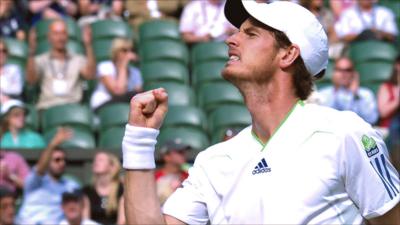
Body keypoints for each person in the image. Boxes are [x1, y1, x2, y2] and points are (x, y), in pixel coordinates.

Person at [122, 1, 399, 224]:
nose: (231, 39)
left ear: (288, 55)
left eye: (250, 33)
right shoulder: (212, 161)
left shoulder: (345, 133)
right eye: (237, 31)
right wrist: (139, 139)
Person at [26, 19, 95, 111]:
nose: (60, 38)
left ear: (67, 36)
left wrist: (88, 45)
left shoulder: (77, 59)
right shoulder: (41, 60)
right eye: (56, 34)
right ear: (49, 37)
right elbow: (31, 80)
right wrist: (31, 51)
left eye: (63, 33)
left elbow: (90, 75)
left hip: (72, 108)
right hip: (47, 108)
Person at [16, 127, 80, 225]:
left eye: (64, 160)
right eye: (57, 160)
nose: (62, 163)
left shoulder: (70, 186)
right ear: (47, 162)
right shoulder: (35, 182)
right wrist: (53, 143)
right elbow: (40, 168)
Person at [319, 57, 379, 125]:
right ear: (334, 73)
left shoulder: (366, 94)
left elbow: (371, 119)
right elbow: (324, 118)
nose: (343, 74)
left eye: (348, 70)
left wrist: (355, 95)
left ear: (354, 73)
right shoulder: (323, 93)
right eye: (339, 70)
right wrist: (336, 90)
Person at [90, 38, 143, 112]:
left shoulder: (135, 72)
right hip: (103, 105)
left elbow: (139, 93)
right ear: (116, 52)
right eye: (124, 50)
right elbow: (118, 92)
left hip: (124, 106)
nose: (129, 54)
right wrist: (123, 66)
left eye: (131, 50)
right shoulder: (105, 66)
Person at [82, 152, 125, 225]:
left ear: (112, 167)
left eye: (100, 160)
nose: (96, 162)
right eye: (95, 160)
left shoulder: (121, 190)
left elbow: (122, 222)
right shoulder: (87, 191)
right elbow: (85, 221)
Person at [155, 139, 190, 204]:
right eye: (180, 152)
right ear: (166, 156)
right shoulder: (155, 177)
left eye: (184, 152)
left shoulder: (189, 176)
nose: (184, 155)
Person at [378, 55, 400, 128]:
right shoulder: (386, 87)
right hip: (389, 129)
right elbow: (383, 112)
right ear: (397, 65)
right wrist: (397, 101)